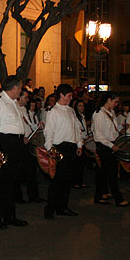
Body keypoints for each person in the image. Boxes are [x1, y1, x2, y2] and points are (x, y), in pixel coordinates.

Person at [0, 75, 28, 229]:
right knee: (1, 184)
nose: (21, 90)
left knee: (12, 183)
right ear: (14, 87)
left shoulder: (14, 103)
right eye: (20, 87)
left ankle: (10, 216)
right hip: (5, 144)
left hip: (16, 144)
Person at [43, 84, 83, 219]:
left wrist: (79, 145)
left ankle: (63, 207)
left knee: (67, 180)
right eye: (69, 96)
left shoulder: (71, 111)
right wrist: (50, 150)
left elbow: (77, 129)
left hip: (71, 148)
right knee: (56, 181)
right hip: (59, 148)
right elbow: (49, 132)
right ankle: (50, 209)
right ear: (61, 95)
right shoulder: (53, 112)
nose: (71, 98)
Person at [92, 92, 130, 207]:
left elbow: (111, 130)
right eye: (115, 102)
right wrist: (111, 145)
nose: (116, 104)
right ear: (109, 100)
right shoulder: (99, 114)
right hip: (105, 146)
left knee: (103, 173)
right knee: (112, 173)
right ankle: (118, 199)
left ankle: (100, 195)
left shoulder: (111, 113)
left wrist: (121, 128)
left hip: (111, 144)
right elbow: (98, 135)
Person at [72, 99, 89, 189]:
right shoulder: (75, 117)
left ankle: (80, 181)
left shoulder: (82, 116)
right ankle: (76, 182)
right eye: (79, 106)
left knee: (82, 164)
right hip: (78, 142)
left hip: (83, 141)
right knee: (78, 164)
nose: (82, 107)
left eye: (83, 106)